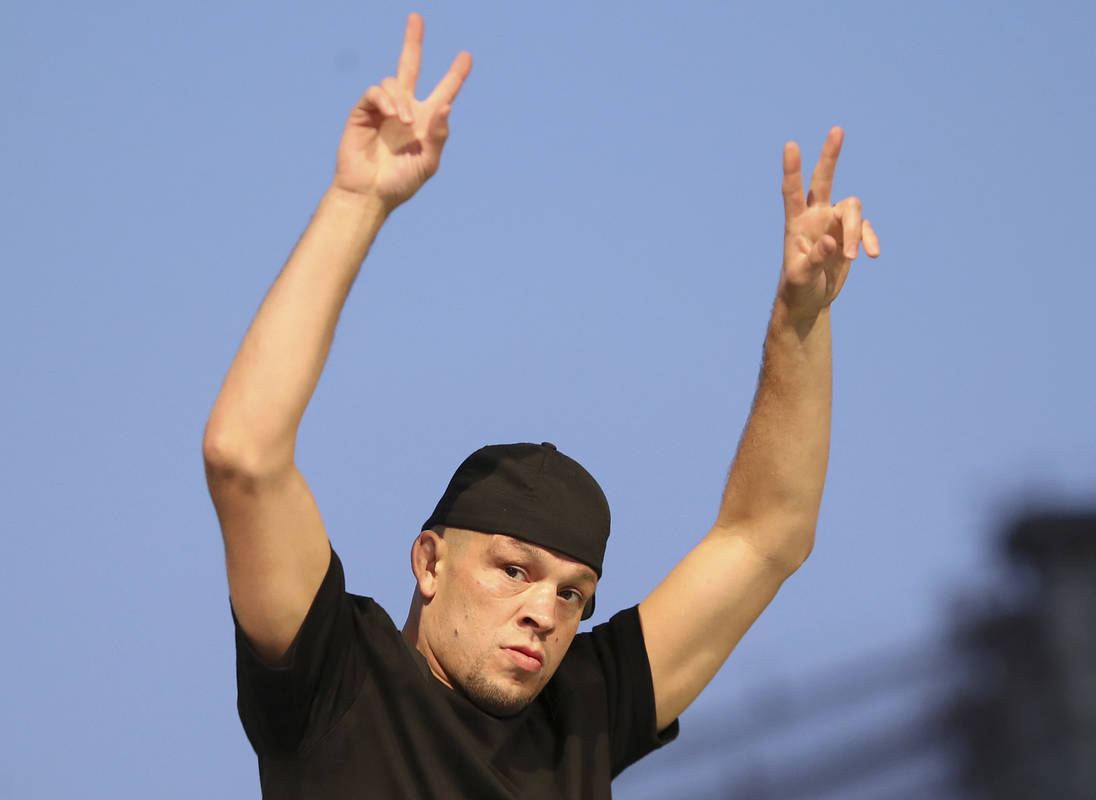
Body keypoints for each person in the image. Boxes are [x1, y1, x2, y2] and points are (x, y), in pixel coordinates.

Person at [202, 12, 879, 800]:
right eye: (514, 570)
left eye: (572, 593)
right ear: (430, 562)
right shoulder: (337, 681)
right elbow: (243, 456)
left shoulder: (581, 716)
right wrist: (358, 200)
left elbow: (767, 537)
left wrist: (801, 320)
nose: (544, 613)